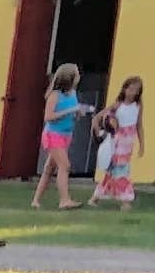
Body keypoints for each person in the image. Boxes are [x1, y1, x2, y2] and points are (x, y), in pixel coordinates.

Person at [30, 60, 87, 208]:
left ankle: (35, 200)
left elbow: (72, 113)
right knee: (65, 166)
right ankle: (64, 200)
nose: (79, 76)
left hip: (66, 134)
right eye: (76, 74)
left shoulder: (73, 93)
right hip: (53, 134)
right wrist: (69, 111)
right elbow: (48, 117)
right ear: (69, 77)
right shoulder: (55, 95)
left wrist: (78, 114)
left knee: (49, 168)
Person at [93, 76, 145, 209]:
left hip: (129, 142)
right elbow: (99, 117)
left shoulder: (138, 106)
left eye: (136, 90)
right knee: (121, 170)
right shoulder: (118, 104)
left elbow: (139, 125)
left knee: (114, 171)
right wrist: (99, 131)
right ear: (125, 89)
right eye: (131, 89)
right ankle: (125, 201)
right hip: (117, 141)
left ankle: (96, 197)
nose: (133, 92)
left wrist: (142, 144)